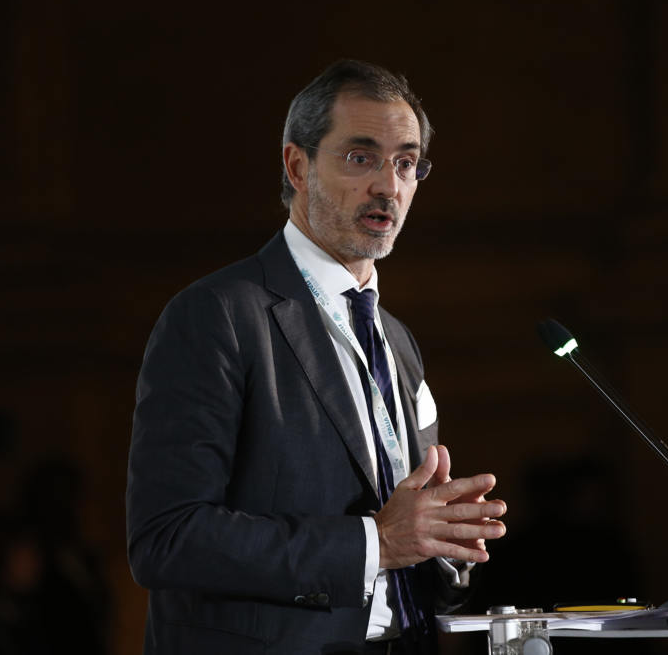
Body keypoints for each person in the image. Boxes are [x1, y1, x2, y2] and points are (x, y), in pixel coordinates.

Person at [126, 59, 507, 655]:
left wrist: (443, 544)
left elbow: (403, 542)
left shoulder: (397, 340)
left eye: (406, 163)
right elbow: (167, 539)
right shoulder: (218, 315)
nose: (389, 186)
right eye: (361, 157)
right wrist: (375, 543)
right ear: (297, 166)